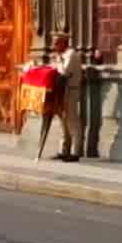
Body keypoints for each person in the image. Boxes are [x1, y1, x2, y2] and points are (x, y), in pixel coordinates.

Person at [50, 35, 85, 163]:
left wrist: (59, 61)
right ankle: (63, 150)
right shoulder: (61, 55)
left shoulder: (71, 55)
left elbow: (64, 72)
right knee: (63, 121)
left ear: (63, 43)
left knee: (72, 120)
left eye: (56, 43)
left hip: (71, 90)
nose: (54, 47)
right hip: (62, 91)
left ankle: (75, 152)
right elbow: (54, 69)